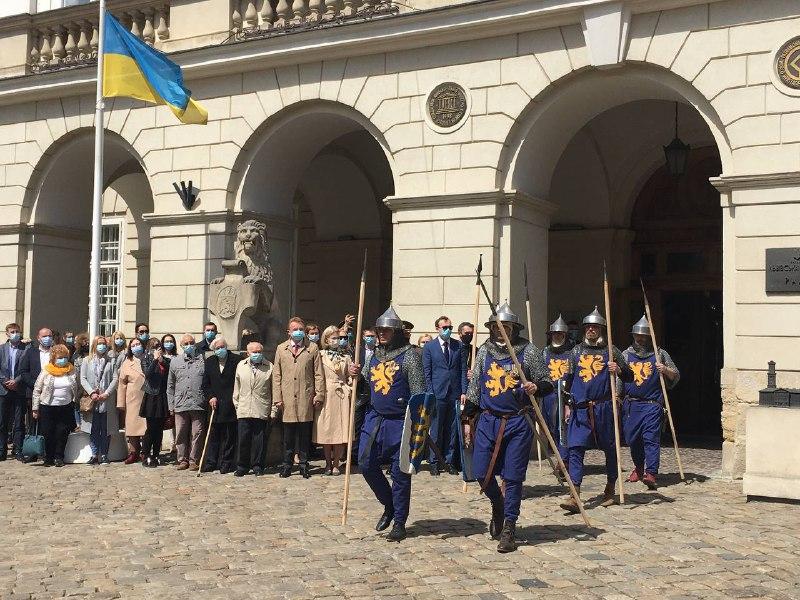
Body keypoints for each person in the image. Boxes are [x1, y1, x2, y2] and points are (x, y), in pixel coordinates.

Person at [463, 302, 553, 553]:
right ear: (491, 328)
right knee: (481, 472)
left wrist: (536, 387)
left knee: (513, 477)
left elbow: (546, 380)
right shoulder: (484, 351)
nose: (501, 331)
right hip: (488, 420)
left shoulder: (528, 351)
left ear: (514, 329)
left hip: (518, 421)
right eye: (496, 327)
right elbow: (474, 389)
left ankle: (510, 527)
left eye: (507, 327)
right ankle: (497, 504)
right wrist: (466, 418)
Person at [348, 306, 426, 542]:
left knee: (400, 472)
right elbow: (366, 388)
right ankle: (390, 504)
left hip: (401, 420)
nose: (381, 333)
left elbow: (420, 392)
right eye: (379, 329)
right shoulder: (374, 355)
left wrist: (418, 425)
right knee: (365, 462)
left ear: (396, 332)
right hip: (375, 417)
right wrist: (356, 375)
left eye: (386, 330)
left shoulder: (410, 356)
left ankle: (400, 521)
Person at [559, 307, 634, 513]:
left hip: (604, 408)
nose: (591, 329)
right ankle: (575, 494)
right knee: (575, 448)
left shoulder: (611, 351)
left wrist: (618, 370)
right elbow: (568, 381)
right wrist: (566, 404)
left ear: (601, 329)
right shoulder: (576, 351)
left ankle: (610, 488)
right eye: (589, 327)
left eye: (595, 327)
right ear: (584, 330)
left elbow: (630, 377)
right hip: (580, 409)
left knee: (610, 448)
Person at [621, 315, 680, 490]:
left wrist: (666, 370)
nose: (640, 339)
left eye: (644, 336)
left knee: (651, 439)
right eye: (638, 336)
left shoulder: (660, 354)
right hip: (631, 405)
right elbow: (620, 378)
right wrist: (617, 396)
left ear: (649, 337)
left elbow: (675, 376)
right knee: (633, 439)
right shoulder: (626, 355)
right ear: (633, 336)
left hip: (652, 404)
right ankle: (639, 467)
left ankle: (651, 472)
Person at [273, 316, 325, 478]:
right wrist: (277, 397)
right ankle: (287, 464)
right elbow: (276, 375)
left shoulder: (312, 348)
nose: (298, 332)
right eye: (295, 329)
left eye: (301, 329)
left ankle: (304, 464)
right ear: (288, 332)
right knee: (288, 435)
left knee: (304, 434)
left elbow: (318, 373)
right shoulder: (281, 349)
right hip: (287, 397)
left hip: (305, 396)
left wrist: (319, 394)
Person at [422, 316, 467, 476]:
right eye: (444, 327)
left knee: (452, 428)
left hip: (454, 393)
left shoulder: (458, 346)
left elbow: (462, 370)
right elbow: (427, 372)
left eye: (450, 327)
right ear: (437, 328)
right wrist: (430, 391)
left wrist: (463, 391)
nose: (448, 329)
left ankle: (449, 461)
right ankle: (434, 461)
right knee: (436, 428)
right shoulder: (430, 347)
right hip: (437, 393)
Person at [232, 342, 277, 477]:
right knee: (243, 439)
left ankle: (258, 465)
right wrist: (237, 405)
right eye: (254, 352)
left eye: (259, 351)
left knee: (260, 440)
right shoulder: (241, 365)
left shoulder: (269, 366)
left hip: (261, 408)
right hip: (244, 408)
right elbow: (237, 388)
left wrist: (273, 410)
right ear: (248, 353)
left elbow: (274, 390)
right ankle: (242, 466)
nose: (257, 354)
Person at [32, 344, 78, 467]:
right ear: (53, 358)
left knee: (62, 432)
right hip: (48, 406)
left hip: (65, 406)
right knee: (48, 432)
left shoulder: (71, 369)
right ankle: (48, 457)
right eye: (59, 357)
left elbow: (75, 386)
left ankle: (59, 457)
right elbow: (37, 389)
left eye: (64, 357)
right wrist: (35, 408)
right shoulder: (46, 370)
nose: (62, 360)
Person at [314, 326, 352, 476]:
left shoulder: (346, 356)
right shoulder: (320, 355)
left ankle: (336, 463)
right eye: (334, 338)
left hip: (341, 394)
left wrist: (350, 384)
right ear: (327, 340)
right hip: (327, 394)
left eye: (339, 338)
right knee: (327, 431)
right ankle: (327, 463)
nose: (337, 341)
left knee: (340, 431)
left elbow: (350, 376)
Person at [201, 336, 242, 473]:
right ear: (213, 350)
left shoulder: (236, 360)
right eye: (217, 348)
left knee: (229, 437)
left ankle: (226, 463)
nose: (220, 350)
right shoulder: (210, 362)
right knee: (214, 436)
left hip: (230, 405)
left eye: (222, 347)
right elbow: (205, 384)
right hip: (215, 406)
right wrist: (211, 396)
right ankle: (211, 462)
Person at [167, 334, 207, 471]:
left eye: (191, 343)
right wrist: (170, 405)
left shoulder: (203, 359)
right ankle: (182, 459)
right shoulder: (175, 361)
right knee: (181, 433)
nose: (189, 345)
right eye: (186, 343)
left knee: (197, 432)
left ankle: (194, 460)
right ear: (182, 345)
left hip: (198, 402)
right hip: (180, 403)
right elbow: (170, 385)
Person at [79, 336, 118, 465]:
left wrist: (107, 393)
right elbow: (83, 378)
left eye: (104, 344)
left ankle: (105, 454)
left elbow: (115, 378)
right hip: (93, 399)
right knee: (94, 428)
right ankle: (94, 454)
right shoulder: (86, 360)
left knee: (106, 429)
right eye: (100, 344)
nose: (102, 346)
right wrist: (91, 392)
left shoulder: (111, 361)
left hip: (106, 399)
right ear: (94, 345)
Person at [542, 314, 573, 468]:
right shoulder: (545, 352)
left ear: (565, 335)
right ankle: (561, 455)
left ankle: (565, 458)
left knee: (565, 425)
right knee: (552, 426)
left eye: (560, 334)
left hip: (566, 393)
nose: (557, 336)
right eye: (555, 334)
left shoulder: (572, 353)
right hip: (549, 393)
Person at [18, 327, 55, 461]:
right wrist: (36, 384)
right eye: (44, 336)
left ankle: (48, 452)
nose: (48, 338)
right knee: (34, 422)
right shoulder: (31, 352)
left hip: (53, 393)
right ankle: (33, 451)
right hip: (34, 392)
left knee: (49, 423)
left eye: (50, 335)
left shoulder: (56, 352)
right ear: (38, 338)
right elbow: (23, 371)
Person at [139, 337, 171, 467]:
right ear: (149, 349)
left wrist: (162, 361)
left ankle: (156, 454)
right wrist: (154, 359)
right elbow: (148, 374)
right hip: (151, 396)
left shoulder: (166, 360)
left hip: (162, 396)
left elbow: (169, 373)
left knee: (159, 429)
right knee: (151, 428)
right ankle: (146, 454)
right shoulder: (145, 359)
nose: (157, 349)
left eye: (158, 346)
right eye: (154, 347)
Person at [117, 338, 148, 464]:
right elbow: (121, 384)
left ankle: (145, 452)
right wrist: (121, 403)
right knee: (132, 426)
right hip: (133, 398)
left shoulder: (149, 358)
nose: (136, 347)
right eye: (133, 345)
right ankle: (133, 452)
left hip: (147, 397)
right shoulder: (127, 363)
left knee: (147, 427)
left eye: (138, 344)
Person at [0, 323, 28, 461]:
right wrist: (5, 381)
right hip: (3, 389)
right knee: (2, 421)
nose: (15, 334)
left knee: (19, 422)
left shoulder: (25, 349)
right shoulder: (1, 349)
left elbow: (25, 368)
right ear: (7, 333)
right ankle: (2, 450)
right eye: (12, 331)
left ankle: (18, 449)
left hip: (19, 389)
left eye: (17, 331)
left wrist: (16, 381)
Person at [70, 333, 90, 430]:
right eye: (83, 342)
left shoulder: (93, 357)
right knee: (78, 407)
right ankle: (79, 425)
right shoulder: (77, 359)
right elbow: (77, 375)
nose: (86, 344)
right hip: (79, 387)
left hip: (90, 387)